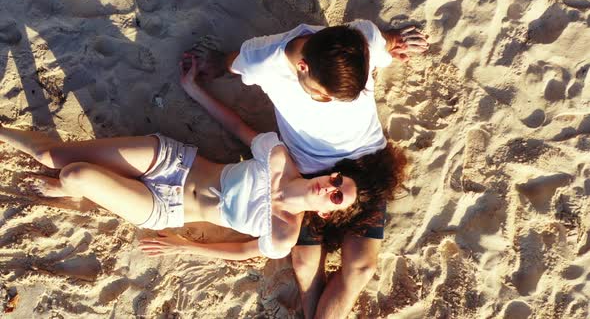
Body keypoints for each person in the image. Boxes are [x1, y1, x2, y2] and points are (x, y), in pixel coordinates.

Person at [0, 55, 404, 262]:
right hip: (174, 162)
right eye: (337, 180)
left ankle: (73, 189)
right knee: (52, 155)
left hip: (165, 209)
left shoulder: (283, 235)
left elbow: (244, 254)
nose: (329, 185)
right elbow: (239, 126)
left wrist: (183, 247)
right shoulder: (279, 158)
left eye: (336, 196)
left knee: (75, 175)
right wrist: (194, 89)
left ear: (329, 213)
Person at [189, 19, 427, 318]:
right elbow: (233, 63)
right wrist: (217, 63)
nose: (328, 102)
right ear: (303, 67)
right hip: (308, 176)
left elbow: (384, 42)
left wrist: (394, 40)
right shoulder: (263, 60)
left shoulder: (360, 41)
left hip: (367, 165)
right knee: (304, 267)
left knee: (362, 267)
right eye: (324, 94)